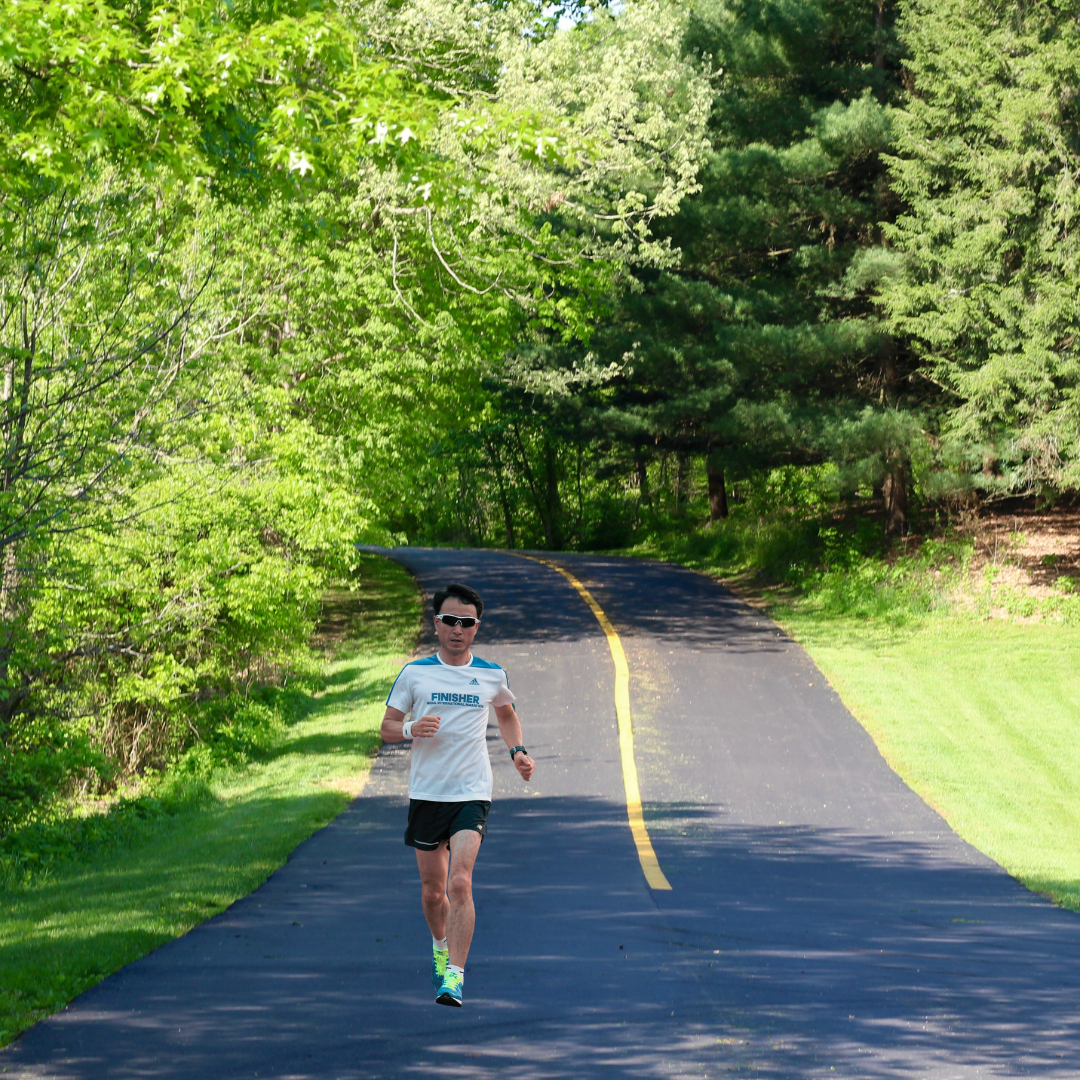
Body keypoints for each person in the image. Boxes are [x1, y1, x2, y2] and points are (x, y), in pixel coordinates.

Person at [381, 581, 536, 1007]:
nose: (457, 628)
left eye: (465, 622)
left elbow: (506, 714)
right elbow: (387, 727)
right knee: (434, 893)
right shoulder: (415, 674)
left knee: (461, 882)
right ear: (437, 623)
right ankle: (438, 945)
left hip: (472, 791)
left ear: (476, 628)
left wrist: (517, 751)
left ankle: (455, 975)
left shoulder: (491, 674)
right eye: (449, 620)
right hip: (428, 793)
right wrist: (413, 728)